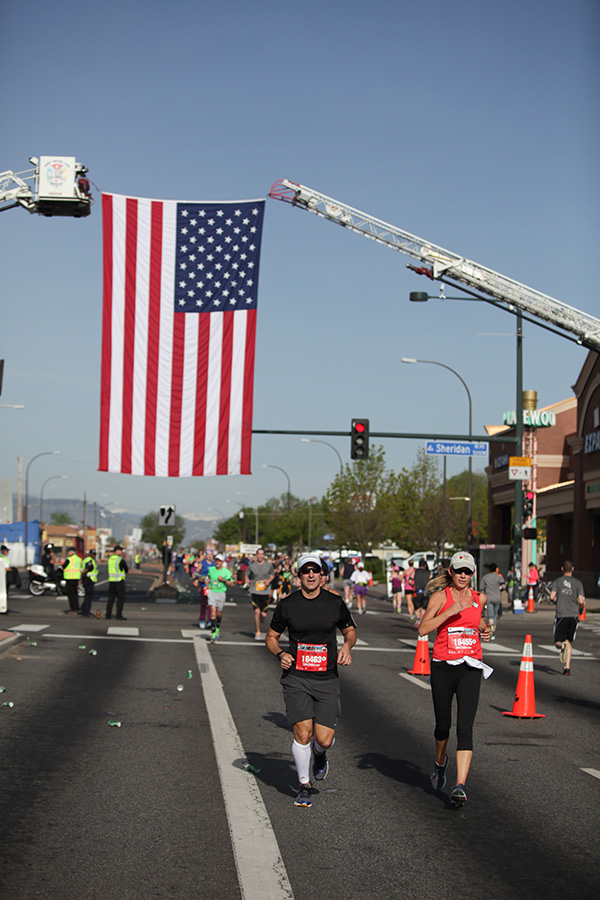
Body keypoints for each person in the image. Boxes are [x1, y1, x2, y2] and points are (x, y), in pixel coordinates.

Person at [265, 553, 357, 808]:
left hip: (327, 678)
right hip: (297, 677)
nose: (311, 575)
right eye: (305, 570)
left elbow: (350, 631)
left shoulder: (335, 603)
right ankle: (304, 786)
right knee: (303, 733)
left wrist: (347, 646)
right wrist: (281, 653)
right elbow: (271, 636)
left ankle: (320, 755)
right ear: (299, 575)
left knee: (324, 739)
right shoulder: (287, 604)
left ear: (322, 574)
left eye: (315, 570)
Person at [418, 551, 492, 808]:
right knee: (443, 725)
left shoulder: (478, 598)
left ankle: (460, 784)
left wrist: (485, 629)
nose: (463, 575)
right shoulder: (441, 597)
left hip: (470, 667)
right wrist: (449, 612)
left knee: (465, 728)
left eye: (467, 571)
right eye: (458, 570)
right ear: (450, 571)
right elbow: (423, 629)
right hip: (443, 667)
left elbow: (477, 620)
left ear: (473, 574)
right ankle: (440, 764)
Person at [550, 561, 585, 676]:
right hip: (573, 614)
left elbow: (552, 596)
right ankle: (567, 667)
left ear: (562, 569)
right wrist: (580, 607)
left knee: (558, 641)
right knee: (569, 640)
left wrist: (557, 601)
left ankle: (562, 645)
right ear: (572, 569)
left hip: (561, 614)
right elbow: (581, 600)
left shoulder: (557, 581)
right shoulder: (578, 583)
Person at [245, 547, 275, 640]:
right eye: (259, 554)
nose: (260, 556)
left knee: (263, 614)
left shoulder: (268, 565)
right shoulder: (252, 566)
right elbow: (246, 574)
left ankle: (262, 617)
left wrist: (268, 580)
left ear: (264, 556)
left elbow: (273, 575)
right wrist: (246, 579)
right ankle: (258, 631)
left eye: (262, 554)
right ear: (256, 555)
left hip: (265, 591)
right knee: (257, 612)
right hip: (255, 590)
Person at [205, 553, 233, 641]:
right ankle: (213, 632)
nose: (217, 562)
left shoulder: (226, 572)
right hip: (212, 592)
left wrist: (224, 580)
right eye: (216, 560)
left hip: (221, 593)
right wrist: (206, 580)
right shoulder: (211, 569)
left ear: (222, 562)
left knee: (219, 613)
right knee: (212, 611)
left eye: (219, 561)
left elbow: (232, 583)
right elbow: (208, 577)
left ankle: (217, 627)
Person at [479, 563, 505, 640]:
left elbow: (481, 587)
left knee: (490, 615)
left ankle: (491, 631)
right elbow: (503, 586)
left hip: (489, 597)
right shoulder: (499, 577)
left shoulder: (486, 577)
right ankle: (493, 629)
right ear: (496, 569)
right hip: (497, 597)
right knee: (494, 615)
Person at [106, 545, 128, 620]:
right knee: (120, 598)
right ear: (117, 551)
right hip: (119, 581)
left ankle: (108, 615)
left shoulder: (110, 559)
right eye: (120, 550)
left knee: (111, 598)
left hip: (111, 581)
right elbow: (126, 569)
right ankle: (118, 615)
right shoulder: (120, 559)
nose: (122, 552)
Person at [62, 547, 83, 615]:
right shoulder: (79, 559)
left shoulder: (69, 559)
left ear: (72, 552)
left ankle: (73, 609)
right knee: (75, 595)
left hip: (69, 578)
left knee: (71, 595)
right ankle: (77, 608)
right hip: (76, 578)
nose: (68, 553)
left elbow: (63, 567)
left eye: (68, 552)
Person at [80, 549, 98, 617]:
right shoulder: (90, 561)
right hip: (89, 580)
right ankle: (86, 612)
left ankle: (82, 609)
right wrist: (82, 578)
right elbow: (86, 570)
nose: (94, 556)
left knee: (87, 596)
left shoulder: (86, 559)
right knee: (89, 596)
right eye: (94, 554)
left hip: (87, 579)